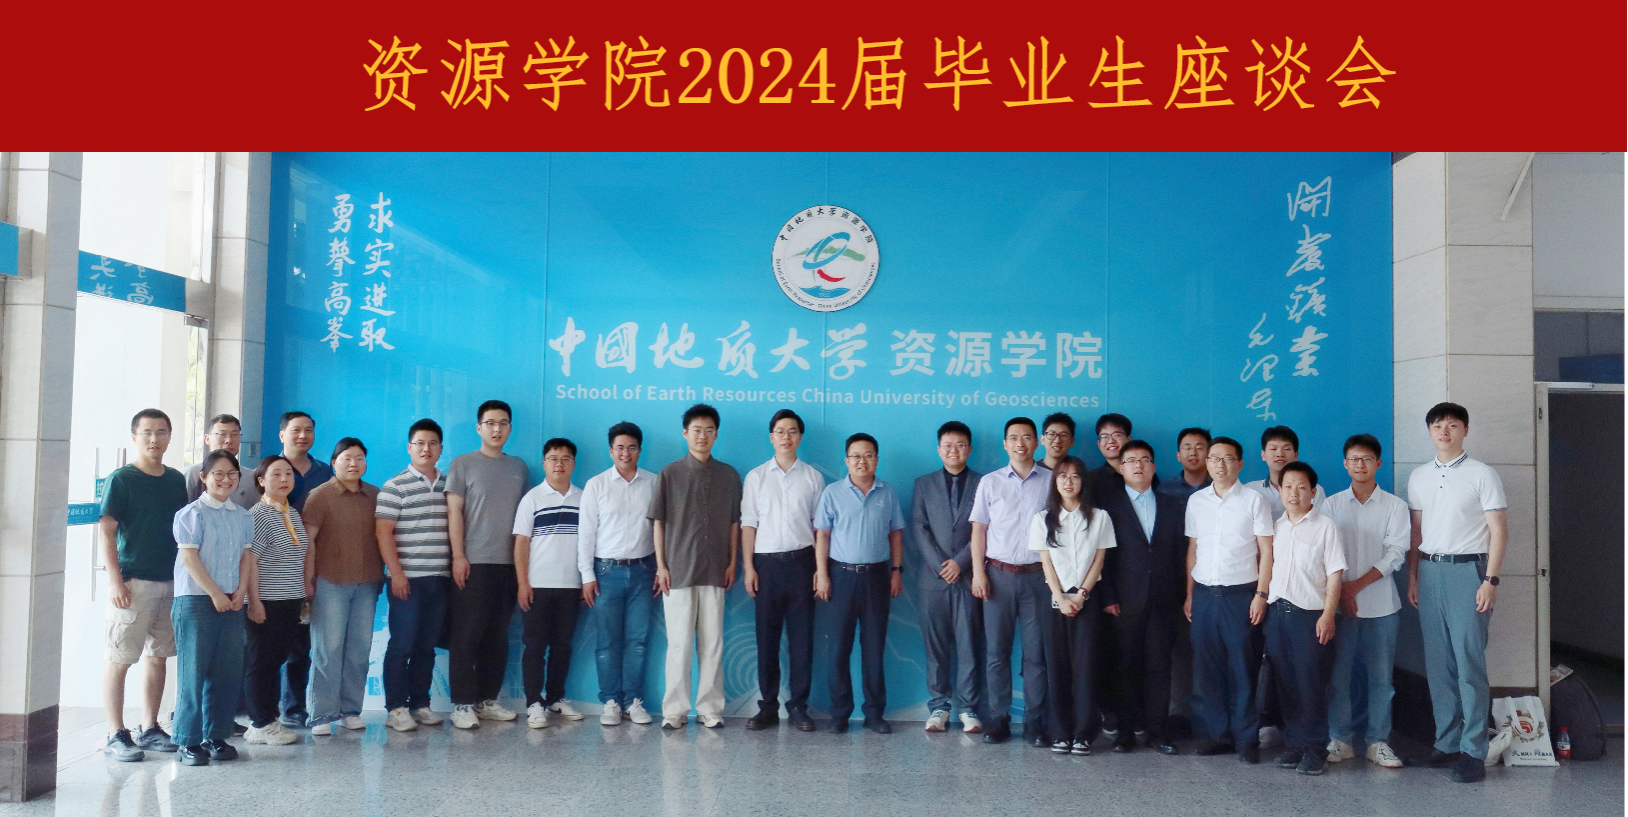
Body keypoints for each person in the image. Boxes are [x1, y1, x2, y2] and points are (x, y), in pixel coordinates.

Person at [1406, 402, 1507, 783]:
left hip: (1470, 572)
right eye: (1437, 425)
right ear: (1429, 431)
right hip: (1430, 571)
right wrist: (1413, 577)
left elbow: (1499, 529)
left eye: (1452, 425)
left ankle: (1473, 751)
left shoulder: (1483, 474)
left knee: (1468, 663)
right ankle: (1446, 743)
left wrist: (1490, 580)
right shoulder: (1419, 477)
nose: (1444, 431)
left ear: (1465, 430)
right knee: (1439, 665)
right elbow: (1417, 533)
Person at [100, 409, 189, 762]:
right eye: (148, 432)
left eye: (162, 432)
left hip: (171, 581)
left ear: (169, 436)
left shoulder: (176, 479)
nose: (155, 439)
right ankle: (115, 733)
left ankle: (149, 727)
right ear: (134, 437)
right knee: (120, 658)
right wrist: (115, 581)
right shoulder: (122, 479)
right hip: (133, 583)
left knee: (158, 657)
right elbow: (107, 531)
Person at [648, 404, 741, 729]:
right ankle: (674, 710)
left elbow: (734, 523)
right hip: (678, 571)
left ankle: (710, 708)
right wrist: (661, 566)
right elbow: (658, 523)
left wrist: (732, 562)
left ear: (716, 435)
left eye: (709, 430)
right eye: (697, 430)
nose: (703, 436)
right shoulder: (670, 474)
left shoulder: (729, 475)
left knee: (712, 644)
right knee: (679, 645)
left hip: (716, 570)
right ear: (685, 433)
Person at [1184, 435, 1274, 764]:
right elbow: (1193, 549)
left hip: (1241, 596)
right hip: (1205, 595)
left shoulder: (1254, 500)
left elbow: (1267, 551)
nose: (1220, 464)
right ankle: (1218, 735)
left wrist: (1261, 594)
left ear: (1240, 464)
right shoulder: (1197, 501)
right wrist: (1190, 594)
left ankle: (1246, 739)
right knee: (1208, 670)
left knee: (1244, 670)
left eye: (1228, 458)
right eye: (1214, 458)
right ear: (1207, 463)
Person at [1322, 433, 1409, 769]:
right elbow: (1325, 552)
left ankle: (1378, 741)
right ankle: (1340, 740)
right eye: (1354, 459)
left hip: (1382, 606)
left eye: (1367, 459)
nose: (1360, 465)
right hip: (1340, 607)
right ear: (1345, 464)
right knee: (1338, 678)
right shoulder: (1331, 505)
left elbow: (1396, 554)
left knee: (1381, 679)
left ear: (1378, 463)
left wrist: (1353, 588)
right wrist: (1341, 593)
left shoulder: (1395, 506)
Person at [444, 400, 530, 729]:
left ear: (510, 429)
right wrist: (459, 556)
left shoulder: (518, 467)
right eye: (490, 423)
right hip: (473, 563)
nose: (497, 429)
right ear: (479, 428)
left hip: (508, 565)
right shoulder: (463, 464)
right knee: (466, 636)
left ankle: (486, 700)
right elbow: (454, 513)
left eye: (503, 423)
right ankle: (462, 704)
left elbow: (524, 520)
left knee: (497, 636)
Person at [1097, 440, 1186, 755]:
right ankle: (1125, 732)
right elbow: (1102, 557)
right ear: (1121, 469)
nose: (1138, 465)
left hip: (1164, 600)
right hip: (1123, 601)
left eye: (1144, 460)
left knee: (1160, 667)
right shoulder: (1108, 507)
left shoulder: (1172, 505)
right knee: (1125, 666)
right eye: (1131, 460)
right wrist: (1107, 595)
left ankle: (1157, 731)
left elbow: (1180, 554)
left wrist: (1180, 596)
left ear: (1153, 467)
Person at [168, 449, 256, 766]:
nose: (225, 479)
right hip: (195, 601)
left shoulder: (243, 516)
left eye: (231, 474)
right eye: (218, 474)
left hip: (232, 599)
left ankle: (216, 736)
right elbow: (190, 559)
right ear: (204, 477)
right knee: (193, 673)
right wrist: (216, 593)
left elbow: (246, 556)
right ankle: (188, 741)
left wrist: (241, 591)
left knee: (227, 672)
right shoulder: (191, 514)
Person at [970, 417, 1054, 746]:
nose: (1020, 443)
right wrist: (978, 572)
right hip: (997, 577)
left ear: (1037, 442)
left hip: (1039, 579)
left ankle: (1034, 721)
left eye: (1027, 437)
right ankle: (999, 718)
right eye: (1014, 438)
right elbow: (979, 530)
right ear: (1005, 444)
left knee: (1036, 655)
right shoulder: (990, 482)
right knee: (996, 653)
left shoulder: (1051, 481)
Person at [814, 433, 905, 734]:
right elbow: (822, 535)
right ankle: (839, 713)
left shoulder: (888, 493)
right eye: (855, 456)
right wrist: (822, 574)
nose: (861, 461)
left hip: (878, 576)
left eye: (868, 455)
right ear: (846, 460)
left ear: (876, 459)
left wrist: (896, 571)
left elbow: (895, 533)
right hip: (841, 576)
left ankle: (874, 714)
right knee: (839, 648)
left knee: (874, 648)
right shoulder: (832, 492)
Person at [740, 409, 824, 731]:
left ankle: (799, 706)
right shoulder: (756, 477)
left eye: (792, 431)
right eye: (779, 431)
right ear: (771, 437)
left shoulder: (813, 477)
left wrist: (819, 568)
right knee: (767, 640)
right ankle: (768, 707)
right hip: (766, 566)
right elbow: (749, 524)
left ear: (800, 436)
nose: (786, 437)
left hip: (803, 563)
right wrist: (749, 567)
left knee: (802, 641)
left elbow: (820, 528)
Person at [1262, 462, 1345, 776]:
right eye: (1287, 486)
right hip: (1277, 615)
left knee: (1311, 685)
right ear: (1280, 490)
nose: (1293, 493)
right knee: (1285, 684)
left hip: (1309, 617)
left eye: (1301, 487)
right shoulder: (1276, 527)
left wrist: (1328, 614)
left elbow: (1335, 574)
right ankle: (1295, 745)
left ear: (1313, 491)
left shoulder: (1326, 526)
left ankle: (1315, 749)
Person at [1031, 456, 1114, 756]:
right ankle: (1060, 733)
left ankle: (1083, 734)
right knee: (1057, 667)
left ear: (1083, 482)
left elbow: (1099, 561)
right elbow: (1046, 564)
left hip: (1086, 600)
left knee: (1086, 668)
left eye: (1075, 476)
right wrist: (1061, 598)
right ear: (1054, 481)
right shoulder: (1042, 519)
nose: (1068, 482)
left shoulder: (1100, 517)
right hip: (1054, 599)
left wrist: (1081, 596)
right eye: (1062, 476)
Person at [303, 439, 387, 734]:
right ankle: (322, 714)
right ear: (334, 462)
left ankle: (350, 710)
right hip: (330, 583)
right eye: (347, 458)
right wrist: (308, 581)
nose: (354, 463)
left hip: (367, 583)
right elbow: (308, 542)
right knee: (328, 649)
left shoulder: (374, 494)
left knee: (359, 650)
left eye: (360, 458)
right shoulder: (320, 496)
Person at [578, 422, 657, 727]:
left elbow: (660, 529)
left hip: (643, 571)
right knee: (607, 642)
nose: (626, 453)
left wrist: (660, 567)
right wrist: (587, 575)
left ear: (640, 450)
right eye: (620, 447)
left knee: (638, 641)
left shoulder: (653, 482)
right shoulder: (596, 485)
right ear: (611, 451)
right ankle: (610, 701)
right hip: (605, 572)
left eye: (632, 447)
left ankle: (633, 701)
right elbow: (586, 533)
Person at [377, 419, 453, 733]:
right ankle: (395, 708)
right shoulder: (395, 486)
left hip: (440, 579)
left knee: (426, 646)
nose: (426, 449)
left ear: (440, 449)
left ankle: (420, 704)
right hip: (407, 580)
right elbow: (383, 532)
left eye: (432, 443)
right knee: (402, 645)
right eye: (419, 443)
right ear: (409, 448)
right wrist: (396, 574)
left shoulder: (449, 485)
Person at [910, 421, 985, 734]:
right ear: (939, 449)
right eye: (948, 445)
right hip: (933, 580)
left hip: (969, 578)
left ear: (969, 449)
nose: (954, 450)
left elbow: (986, 527)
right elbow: (919, 527)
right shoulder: (923, 484)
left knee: (969, 646)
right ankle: (939, 706)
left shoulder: (984, 483)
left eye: (960, 445)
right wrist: (941, 565)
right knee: (936, 648)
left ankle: (969, 708)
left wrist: (960, 562)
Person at [513, 438, 586, 729]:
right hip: (537, 585)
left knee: (562, 646)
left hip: (571, 585)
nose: (559, 464)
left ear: (573, 464)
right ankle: (534, 702)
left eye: (566, 458)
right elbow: (521, 543)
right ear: (544, 463)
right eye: (553, 458)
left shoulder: (584, 498)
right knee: (534, 646)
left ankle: (556, 697)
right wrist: (523, 583)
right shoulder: (532, 498)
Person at [242, 456, 308, 746]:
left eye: (288, 474)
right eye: (276, 474)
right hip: (266, 600)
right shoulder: (259, 515)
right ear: (261, 481)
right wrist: (254, 601)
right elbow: (250, 561)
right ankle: (261, 723)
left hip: (289, 600)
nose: (284, 479)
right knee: (262, 662)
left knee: (277, 659)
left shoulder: (290, 512)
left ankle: (268, 719)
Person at [1245, 425, 1327, 520]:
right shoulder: (1251, 490)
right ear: (1263, 455)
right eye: (1273, 449)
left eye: (1286, 449)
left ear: (1295, 455)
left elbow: (1320, 523)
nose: (1280, 454)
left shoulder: (1313, 490)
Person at [183, 413, 261, 507]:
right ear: (207, 439)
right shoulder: (192, 474)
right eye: (222, 434)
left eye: (235, 435)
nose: (229, 440)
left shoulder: (250, 477)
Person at [278, 411, 335, 513]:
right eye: (296, 430)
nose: (303, 436)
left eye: (308, 430)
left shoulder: (325, 471)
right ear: (282, 436)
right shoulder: (267, 471)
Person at [1157, 428, 1213, 502]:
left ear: (1209, 454)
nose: (1193, 453)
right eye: (1187, 448)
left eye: (1199, 448)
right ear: (1178, 456)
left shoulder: (1219, 485)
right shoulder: (1165, 489)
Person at [1090, 413, 1134, 495]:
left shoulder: (1144, 472)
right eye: (1104, 436)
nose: (1111, 441)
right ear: (1099, 444)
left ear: (1129, 439)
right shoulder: (1091, 480)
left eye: (1117, 435)